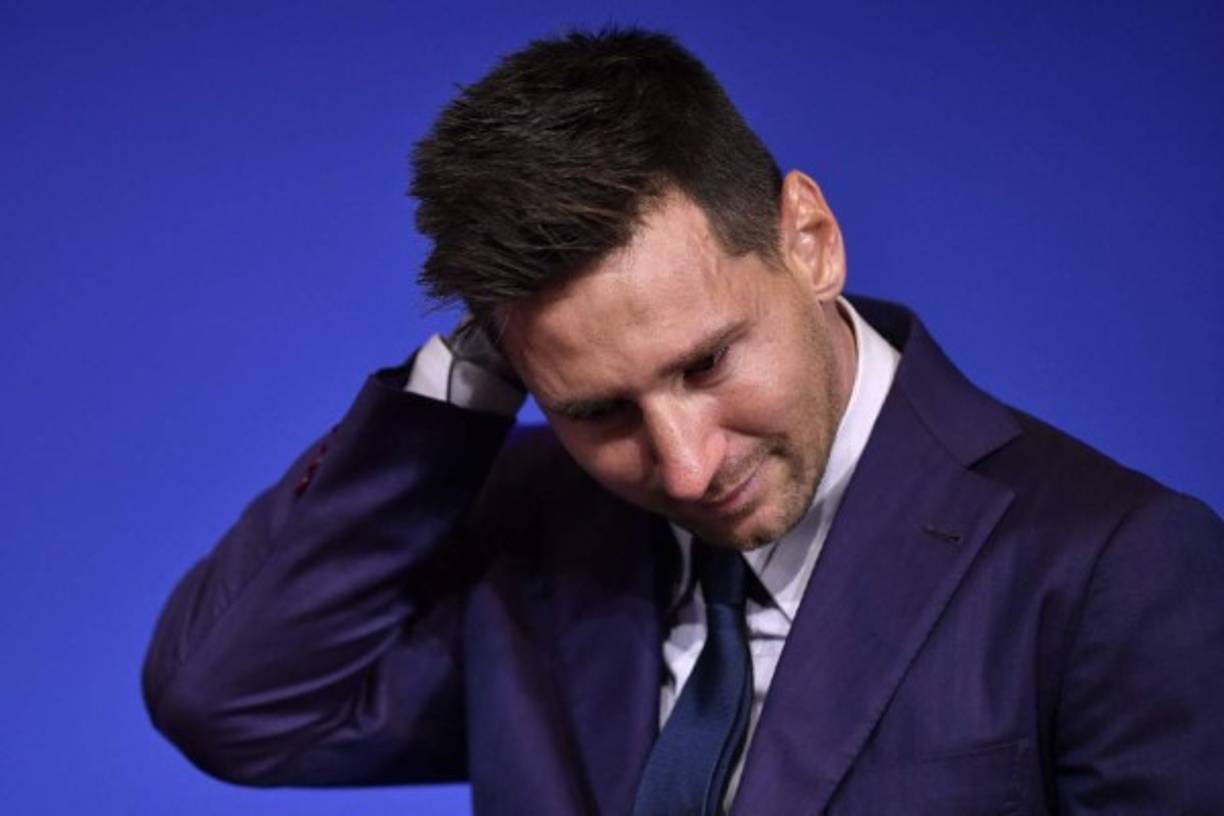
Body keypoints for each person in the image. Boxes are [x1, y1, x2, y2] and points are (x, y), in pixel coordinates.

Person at [143, 28, 1224, 815]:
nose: (686, 463)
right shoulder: (537, 529)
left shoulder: (1116, 568)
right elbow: (234, 705)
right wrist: (459, 397)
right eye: (598, 409)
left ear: (809, 239)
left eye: (707, 361)